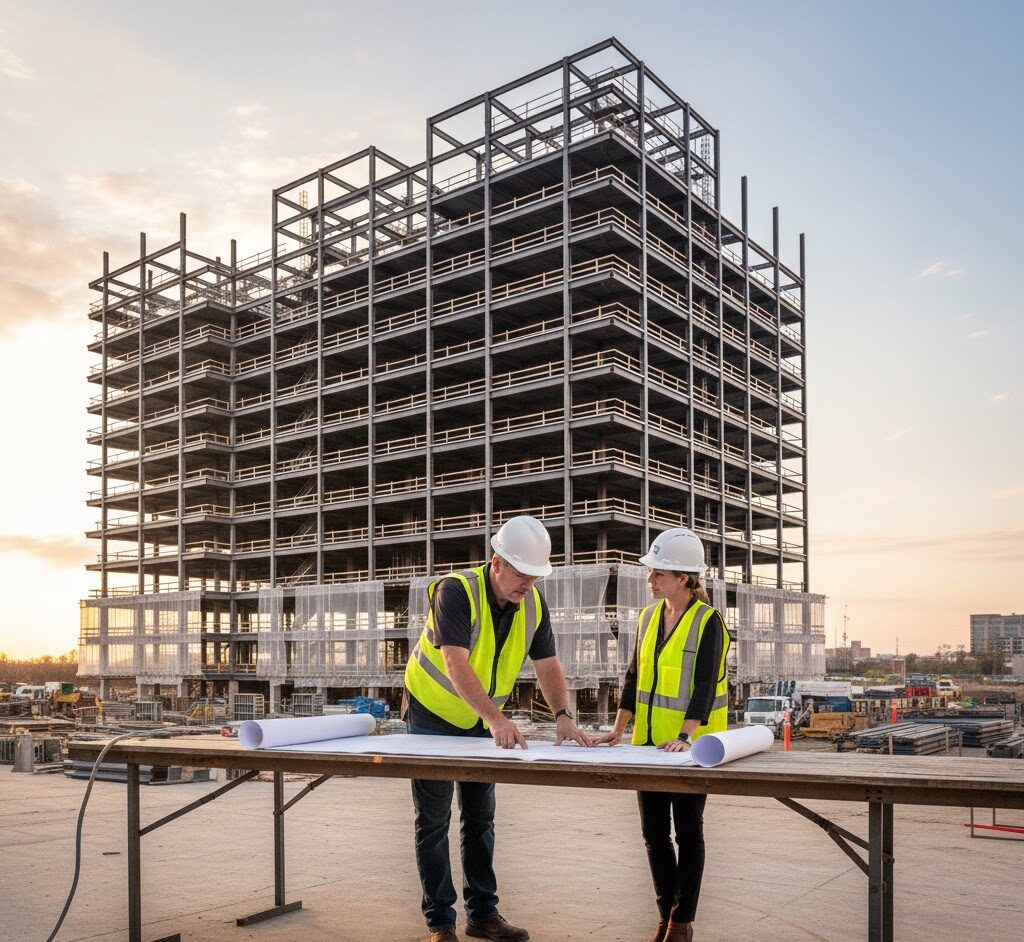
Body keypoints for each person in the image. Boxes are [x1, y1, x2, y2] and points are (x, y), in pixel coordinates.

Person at [403, 515, 593, 942]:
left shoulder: (533, 604)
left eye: (535, 576)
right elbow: (455, 662)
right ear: (496, 562)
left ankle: (483, 915)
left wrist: (562, 716)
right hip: (432, 718)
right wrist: (496, 719)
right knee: (433, 822)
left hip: (482, 722)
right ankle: (440, 922)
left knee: (480, 818)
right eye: (522, 575)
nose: (528, 584)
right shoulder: (456, 591)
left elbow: (547, 664)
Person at [594, 528, 730, 942]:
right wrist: (618, 729)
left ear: (684, 578)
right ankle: (665, 916)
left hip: (692, 749)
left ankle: (682, 922)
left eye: (657, 574)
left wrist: (687, 736)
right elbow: (634, 676)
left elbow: (705, 684)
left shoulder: (709, 621)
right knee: (654, 834)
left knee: (688, 831)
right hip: (647, 745)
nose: (650, 580)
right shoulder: (647, 617)